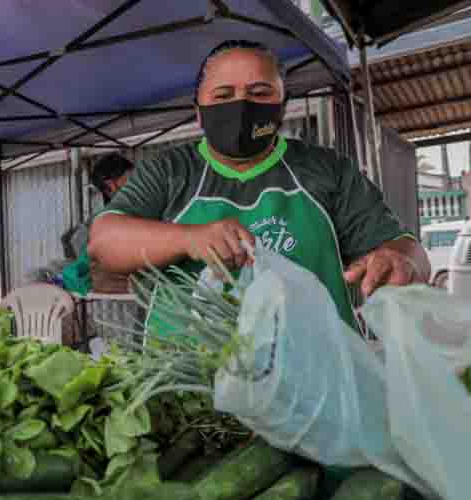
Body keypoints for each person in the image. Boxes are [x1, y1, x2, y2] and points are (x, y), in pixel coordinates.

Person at [89, 39, 430, 337]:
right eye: (223, 95)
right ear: (199, 113)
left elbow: (406, 250)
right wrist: (187, 238)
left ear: (281, 104)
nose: (241, 106)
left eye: (260, 93)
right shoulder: (169, 170)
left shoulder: (328, 170)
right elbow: (105, 241)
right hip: (186, 384)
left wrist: (400, 261)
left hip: (316, 374)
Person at [60, 153, 134, 295]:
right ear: (111, 186)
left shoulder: (141, 208)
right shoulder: (105, 220)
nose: (141, 182)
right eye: (131, 178)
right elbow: (78, 247)